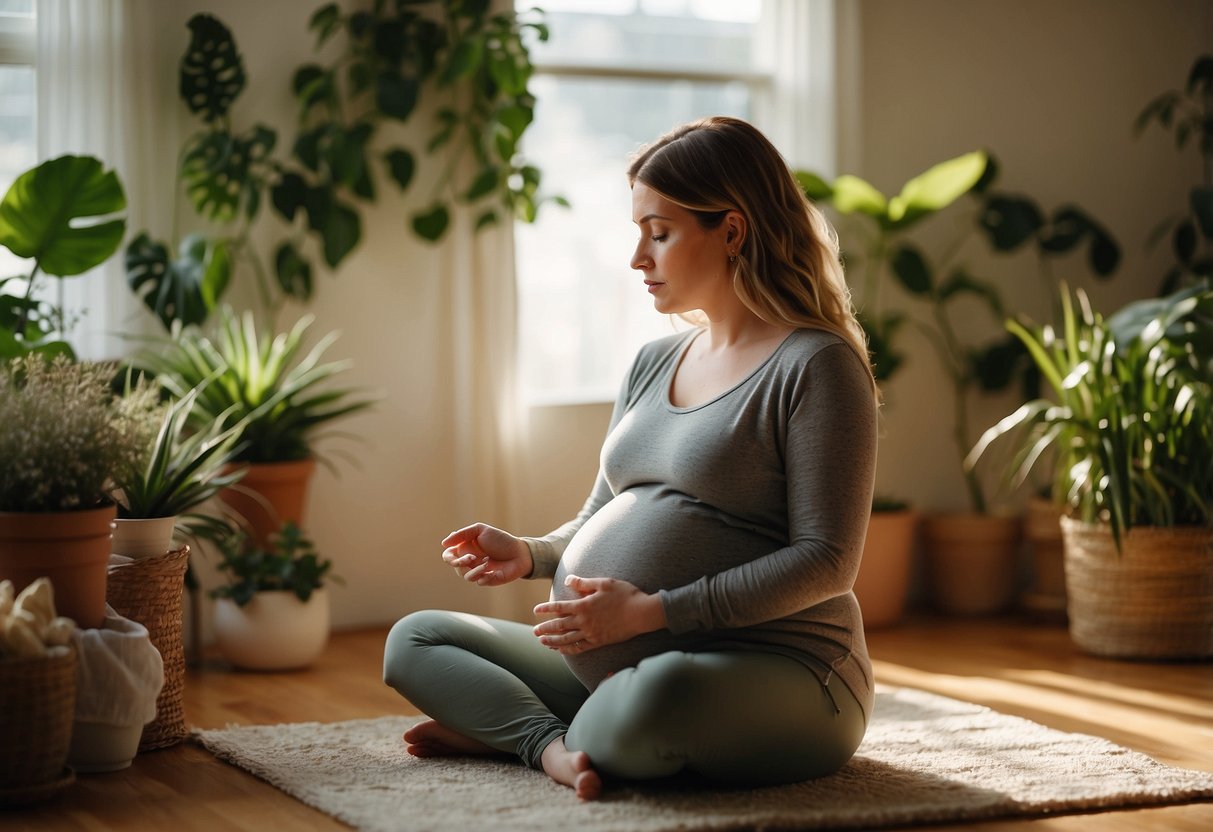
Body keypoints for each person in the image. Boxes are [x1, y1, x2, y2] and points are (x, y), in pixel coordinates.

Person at [383, 116, 878, 801]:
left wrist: (654, 613)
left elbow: (828, 560)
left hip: (783, 671)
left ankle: (518, 731)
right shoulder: (653, 362)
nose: (636, 259)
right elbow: (601, 511)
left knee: (658, 699)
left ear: (731, 231)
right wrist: (530, 554)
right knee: (417, 639)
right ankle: (554, 745)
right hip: (609, 665)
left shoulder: (816, 365)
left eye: (659, 233)